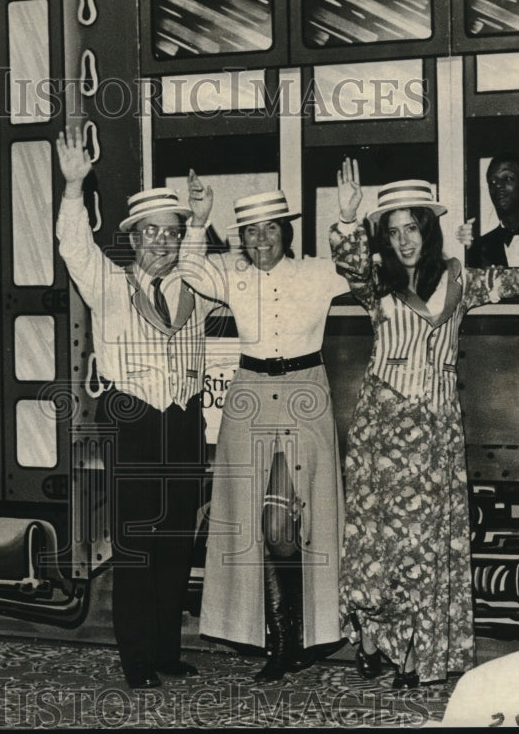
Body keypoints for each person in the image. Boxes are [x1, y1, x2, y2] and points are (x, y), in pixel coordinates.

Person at [329, 177, 519, 687]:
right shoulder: (376, 283)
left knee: (425, 544)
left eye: (411, 228)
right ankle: (371, 638)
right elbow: (348, 262)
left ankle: (416, 650)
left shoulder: (460, 280)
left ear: (429, 230)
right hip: (381, 427)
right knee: (377, 541)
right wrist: (349, 219)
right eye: (392, 232)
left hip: (434, 429)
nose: (403, 241)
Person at [179, 161, 365, 681]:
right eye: (251, 231)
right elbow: (191, 272)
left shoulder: (314, 272)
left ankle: (296, 639)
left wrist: (348, 219)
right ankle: (283, 640)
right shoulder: (232, 275)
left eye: (271, 228)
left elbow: (358, 269)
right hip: (251, 397)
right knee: (263, 523)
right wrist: (198, 221)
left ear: (287, 231)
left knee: (295, 523)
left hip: (306, 395)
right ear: (242, 237)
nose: (262, 239)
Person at [55, 127, 215, 690]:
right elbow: (74, 246)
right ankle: (138, 659)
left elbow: (196, 248)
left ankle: (168, 651)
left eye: (169, 235)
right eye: (150, 233)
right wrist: (74, 187)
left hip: (185, 422)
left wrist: (198, 218)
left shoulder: (193, 283)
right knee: (138, 546)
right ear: (133, 238)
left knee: (175, 542)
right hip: (136, 420)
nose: (160, 244)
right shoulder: (108, 283)